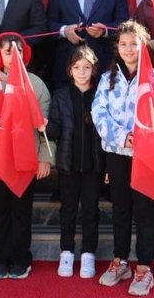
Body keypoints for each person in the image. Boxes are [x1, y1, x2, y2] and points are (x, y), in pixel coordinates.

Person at [92, 21, 154, 297]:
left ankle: (144, 267)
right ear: (117, 47)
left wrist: (143, 138)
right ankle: (119, 260)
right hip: (117, 154)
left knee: (144, 211)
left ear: (143, 45)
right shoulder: (108, 76)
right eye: (123, 44)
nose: (129, 48)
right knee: (121, 209)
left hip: (146, 156)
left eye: (134, 43)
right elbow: (98, 111)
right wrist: (123, 137)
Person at [0, 33, 53, 280]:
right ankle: (0, 257)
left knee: (21, 211)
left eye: (17, 51)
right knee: (0, 211)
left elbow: (45, 129)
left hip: (25, 159)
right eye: (7, 51)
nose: (12, 56)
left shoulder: (36, 85)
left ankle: (20, 257)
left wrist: (44, 159)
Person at [49, 46, 103, 280]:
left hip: (94, 163)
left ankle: (89, 253)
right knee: (68, 209)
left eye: (87, 67)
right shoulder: (61, 95)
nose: (82, 72)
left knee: (91, 210)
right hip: (68, 164)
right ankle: (67, 252)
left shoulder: (102, 93)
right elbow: (54, 130)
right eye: (77, 67)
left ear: (94, 70)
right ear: (70, 70)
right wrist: (43, 124)